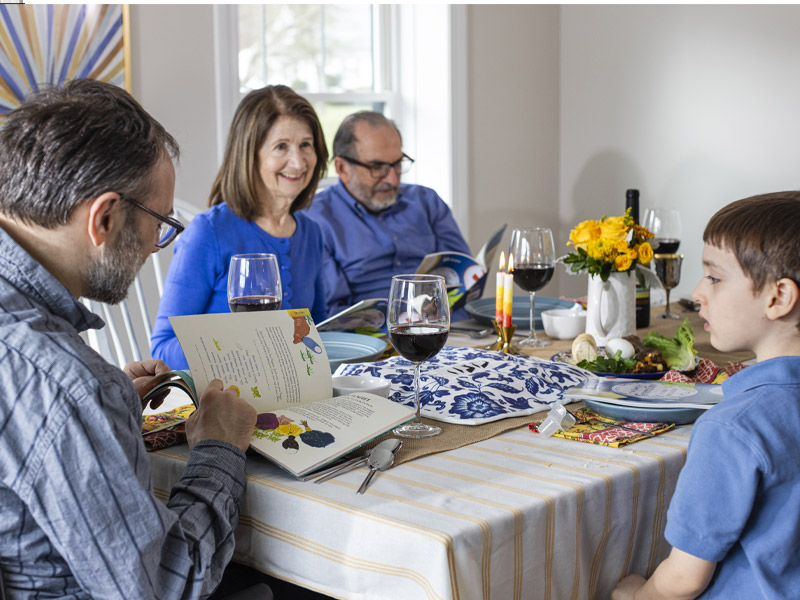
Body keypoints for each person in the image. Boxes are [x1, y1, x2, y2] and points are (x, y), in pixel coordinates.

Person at [0, 79, 257, 597]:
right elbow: (168, 584)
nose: (158, 245)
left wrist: (105, 411)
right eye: (160, 222)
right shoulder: (71, 386)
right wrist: (219, 447)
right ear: (105, 218)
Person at [612, 191, 800, 600]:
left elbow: (683, 580)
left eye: (714, 277)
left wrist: (634, 596)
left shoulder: (732, 428)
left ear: (779, 298)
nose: (698, 292)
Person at [151, 85, 329, 369]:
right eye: (281, 146)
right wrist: (235, 347)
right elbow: (162, 348)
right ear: (250, 154)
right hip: (224, 391)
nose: (298, 162)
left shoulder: (311, 233)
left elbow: (318, 328)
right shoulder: (208, 232)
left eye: (306, 145)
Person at [304, 111, 471, 318]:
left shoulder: (427, 201)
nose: (392, 179)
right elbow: (333, 312)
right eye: (377, 167)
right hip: (370, 333)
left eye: (397, 164)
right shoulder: (316, 220)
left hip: (447, 327)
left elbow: (465, 280)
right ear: (342, 168)